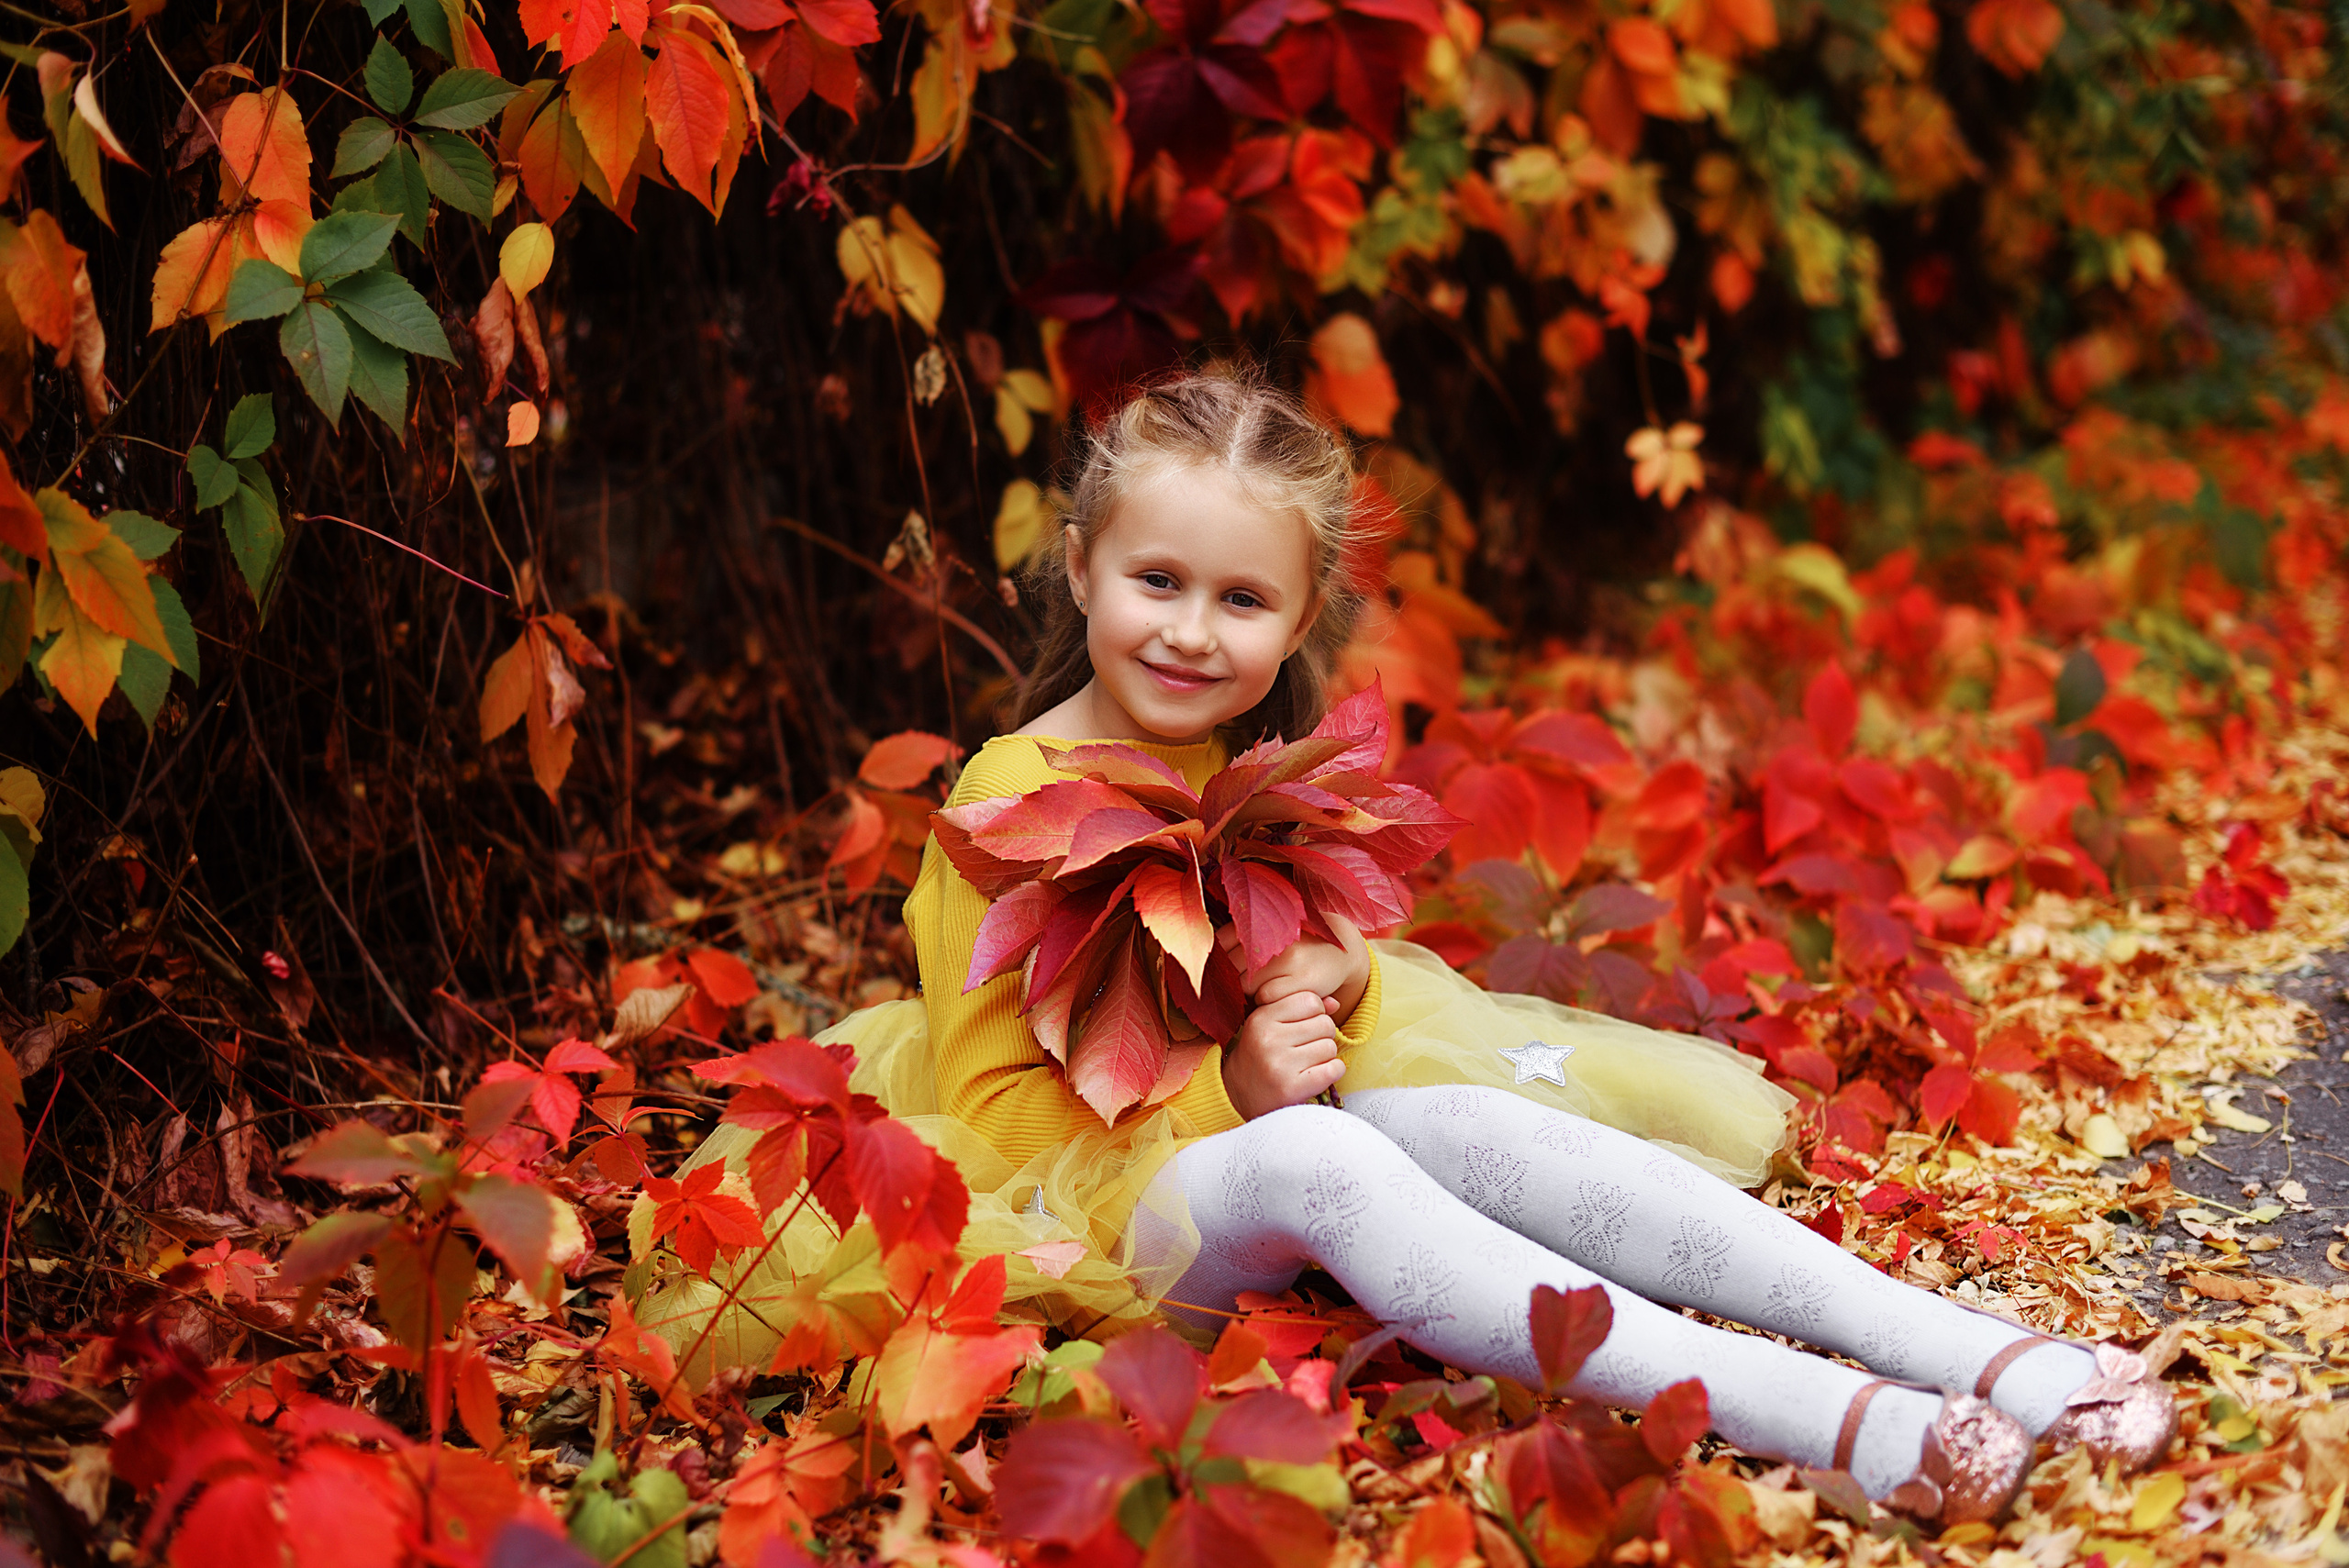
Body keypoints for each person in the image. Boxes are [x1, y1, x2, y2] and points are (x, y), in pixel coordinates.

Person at [652, 367, 2174, 1523]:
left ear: (1304, 610)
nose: (1190, 632)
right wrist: (1238, 1087)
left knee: (1461, 1116)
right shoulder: (1007, 798)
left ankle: (1972, 1348)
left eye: (1242, 598)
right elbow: (998, 1124)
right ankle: (1834, 1425)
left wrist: (1335, 978)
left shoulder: (1261, 764)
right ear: (1079, 565)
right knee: (1323, 1161)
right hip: (1082, 1211)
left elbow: (1321, 956)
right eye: (1156, 581)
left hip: (1246, 1144)